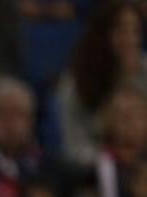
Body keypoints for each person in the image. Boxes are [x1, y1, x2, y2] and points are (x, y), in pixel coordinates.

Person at [57, 1, 147, 170]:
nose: (131, 39)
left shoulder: (144, 71)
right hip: (96, 171)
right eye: (121, 31)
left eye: (136, 31)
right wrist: (113, 161)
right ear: (102, 35)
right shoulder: (76, 83)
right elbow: (74, 146)